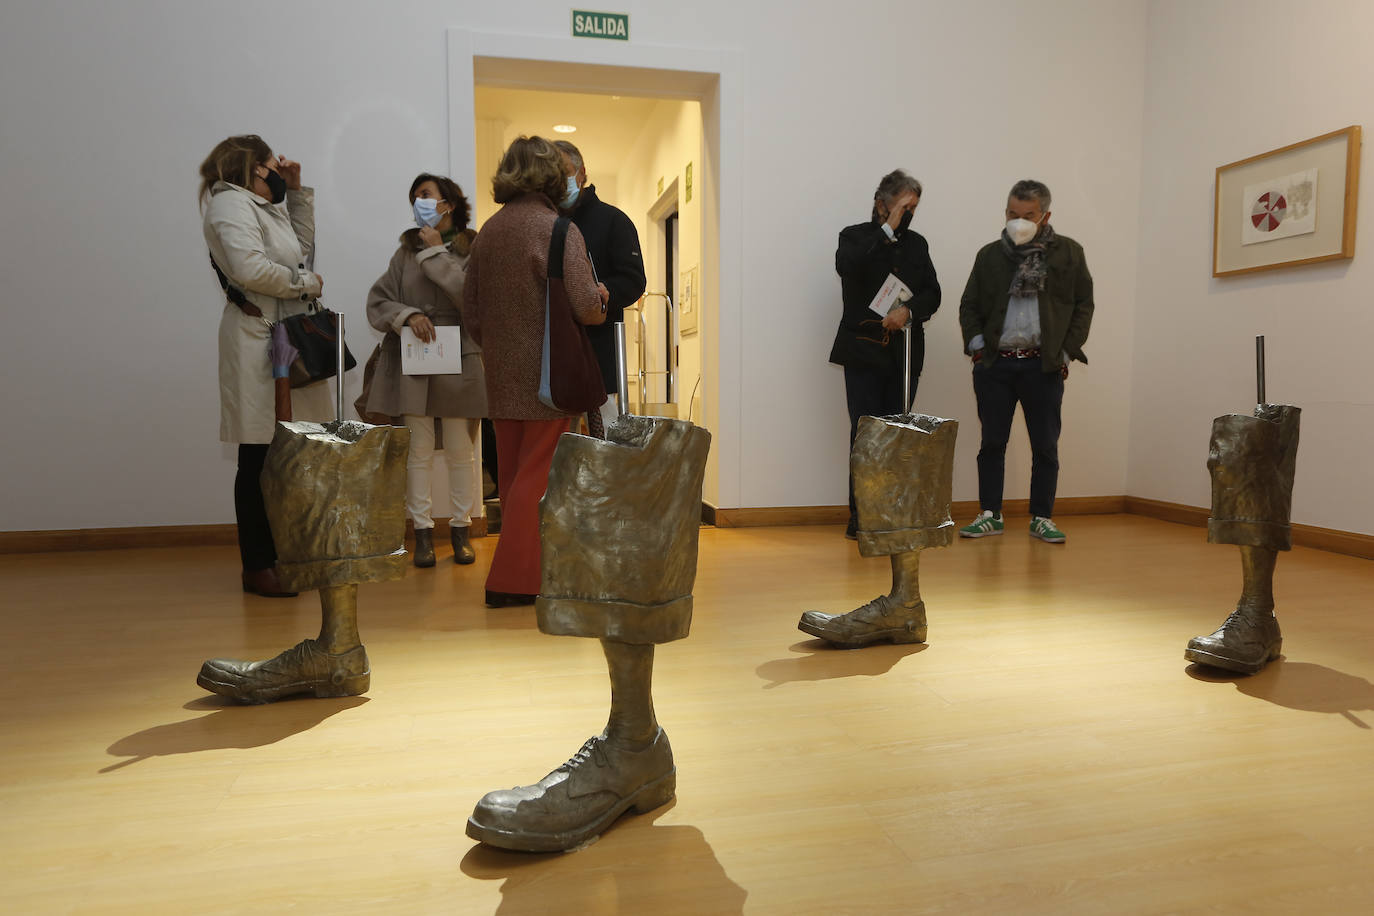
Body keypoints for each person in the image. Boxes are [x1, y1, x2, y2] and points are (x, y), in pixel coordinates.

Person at [461, 136, 605, 607]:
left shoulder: (488, 232)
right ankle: (513, 580)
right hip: (549, 378)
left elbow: (472, 312)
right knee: (538, 478)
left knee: (513, 476)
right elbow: (585, 306)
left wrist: (502, 349)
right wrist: (601, 300)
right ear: (548, 175)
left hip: (501, 375)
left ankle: (537, 571)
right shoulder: (558, 229)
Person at [199, 134, 331, 597]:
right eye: (274, 164)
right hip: (257, 339)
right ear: (252, 167)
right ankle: (258, 565)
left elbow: (299, 251)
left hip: (279, 338)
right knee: (257, 456)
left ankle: (282, 554)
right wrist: (304, 285)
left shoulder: (259, 204)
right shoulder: (229, 206)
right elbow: (252, 270)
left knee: (287, 454)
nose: (278, 169)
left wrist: (295, 193)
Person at [957, 179, 1094, 543]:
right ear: (1005, 213)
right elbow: (969, 304)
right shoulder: (989, 255)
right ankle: (990, 513)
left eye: (1028, 215)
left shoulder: (1068, 253)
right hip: (995, 366)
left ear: (1045, 215)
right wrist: (977, 345)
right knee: (992, 443)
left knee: (1045, 445)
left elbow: (1083, 305)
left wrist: (1064, 351)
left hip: (1042, 364)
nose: (1019, 221)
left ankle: (1042, 516)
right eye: (1012, 214)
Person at [365, 173, 488, 568]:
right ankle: (420, 532)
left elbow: (472, 298)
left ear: (448, 204)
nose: (418, 202)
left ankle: (460, 531)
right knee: (416, 451)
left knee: (459, 450)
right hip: (415, 360)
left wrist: (437, 254)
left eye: (425, 195)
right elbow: (379, 301)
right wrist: (409, 314)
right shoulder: (404, 253)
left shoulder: (473, 248)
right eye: (414, 197)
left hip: (461, 359)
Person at [831, 169, 941, 540]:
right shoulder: (855, 236)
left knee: (898, 434)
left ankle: (892, 512)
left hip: (904, 353)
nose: (910, 213)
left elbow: (932, 292)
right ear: (882, 203)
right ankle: (861, 515)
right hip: (863, 351)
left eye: (915, 207)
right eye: (904, 206)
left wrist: (908, 312)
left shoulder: (918, 244)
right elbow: (849, 267)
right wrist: (886, 231)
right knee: (867, 435)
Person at [554, 140, 647, 427]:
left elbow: (634, 279)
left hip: (600, 355)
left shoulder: (613, 220)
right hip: (554, 357)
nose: (559, 180)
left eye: (565, 172)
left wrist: (608, 290)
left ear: (582, 173)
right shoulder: (544, 222)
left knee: (605, 443)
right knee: (558, 450)